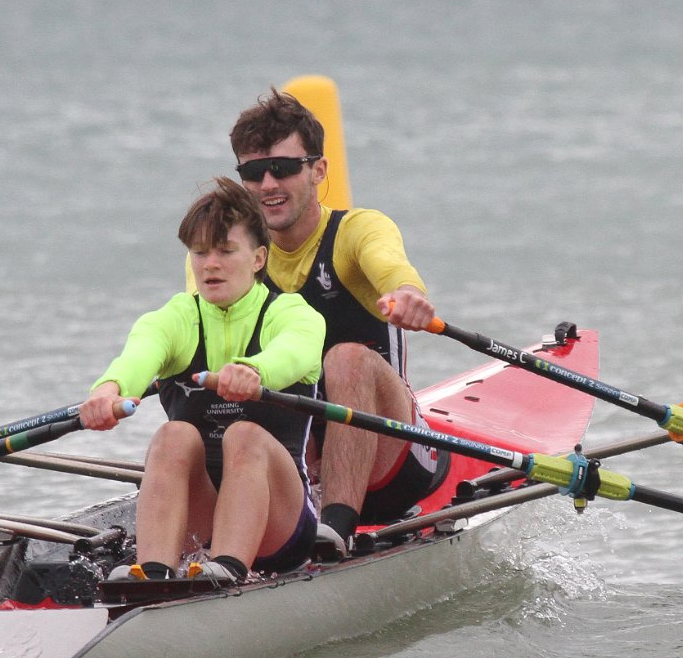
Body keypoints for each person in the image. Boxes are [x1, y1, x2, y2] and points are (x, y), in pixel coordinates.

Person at [227, 90, 446, 560]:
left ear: (318, 171)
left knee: (344, 358)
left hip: (392, 464)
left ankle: (336, 529)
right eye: (253, 172)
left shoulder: (356, 231)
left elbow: (391, 266)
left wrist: (408, 296)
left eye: (283, 168)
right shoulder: (229, 255)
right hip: (298, 462)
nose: (268, 184)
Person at [80, 178, 325, 585]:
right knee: (173, 434)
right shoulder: (176, 318)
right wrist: (108, 392)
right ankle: (153, 574)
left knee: (244, 435)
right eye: (200, 252)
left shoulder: (292, 314)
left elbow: (295, 351)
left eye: (226, 251)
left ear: (258, 258)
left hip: (281, 525)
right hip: (204, 516)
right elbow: (138, 355)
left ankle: (227, 569)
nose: (210, 264)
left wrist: (256, 372)